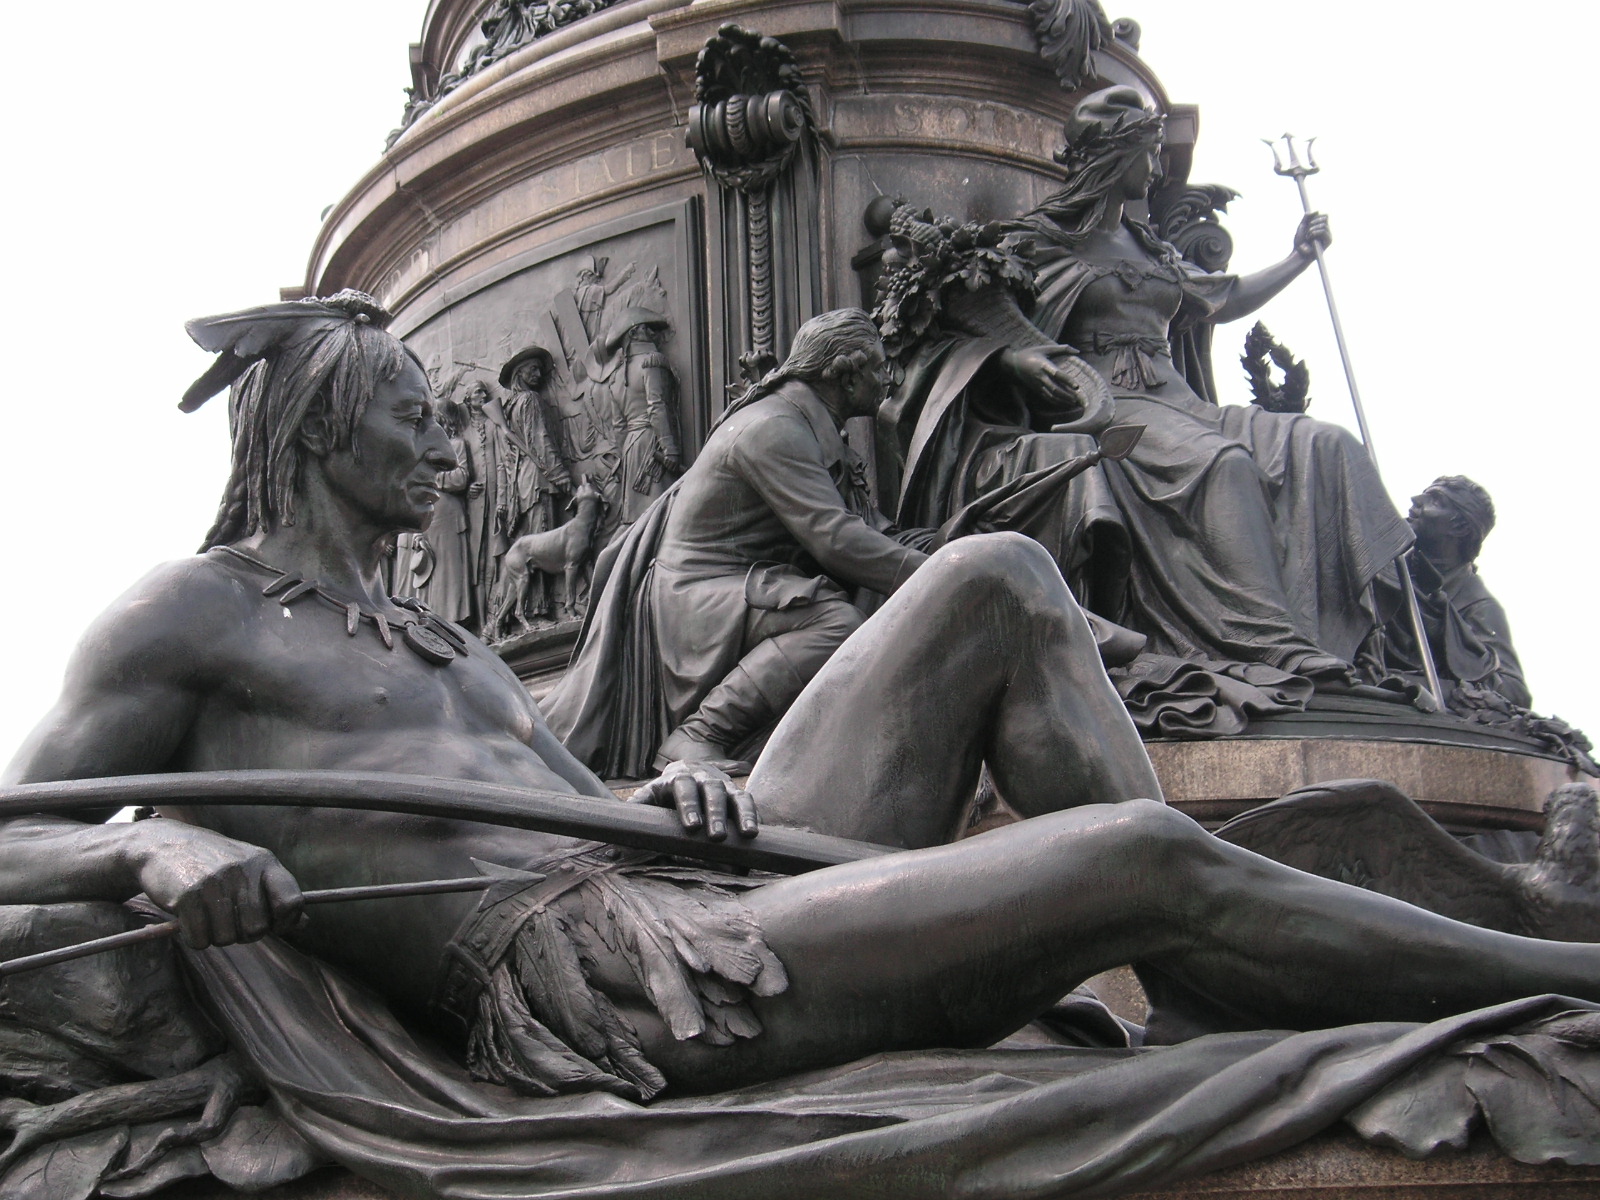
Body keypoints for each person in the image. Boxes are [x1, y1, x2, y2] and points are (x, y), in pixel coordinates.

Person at [6, 291, 1600, 1117]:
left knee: (993, 575)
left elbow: (575, 802)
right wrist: (145, 850)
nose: (452, 449)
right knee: (1139, 857)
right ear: (317, 433)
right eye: (416, 420)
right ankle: (1554, 979)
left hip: (674, 880)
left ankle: (1198, 975)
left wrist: (659, 795)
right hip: (614, 986)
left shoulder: (448, 647)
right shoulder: (190, 614)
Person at [882, 87, 1413, 733]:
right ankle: (1271, 641)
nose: (1157, 169)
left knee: (1326, 444)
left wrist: (1298, 257)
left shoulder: (1149, 245)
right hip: (1112, 407)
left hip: (1181, 401)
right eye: (1149, 152)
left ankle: (1366, 648)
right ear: (1117, 154)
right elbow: (962, 326)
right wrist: (1016, 360)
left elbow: (1223, 297)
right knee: (1222, 464)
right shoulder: (1036, 242)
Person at [548, 309, 927, 776]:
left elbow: (867, 528)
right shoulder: (774, 428)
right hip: (694, 598)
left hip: (741, 584)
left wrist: (944, 543)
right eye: (879, 367)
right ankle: (698, 734)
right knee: (836, 623)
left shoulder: (813, 426)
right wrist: (939, 572)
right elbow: (836, 540)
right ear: (846, 376)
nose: (889, 378)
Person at [1387, 475, 1529, 708]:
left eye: (1435, 500)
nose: (1416, 500)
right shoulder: (1383, 569)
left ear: (1460, 527)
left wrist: (1449, 632)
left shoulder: (1478, 605)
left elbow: (1514, 693)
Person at [493, 345, 572, 626]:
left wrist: (504, 497)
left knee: (526, 547)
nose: (538, 374)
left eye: (540, 369)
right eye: (533, 369)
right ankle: (538, 611)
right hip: (539, 481)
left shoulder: (508, 409)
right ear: (519, 373)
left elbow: (504, 461)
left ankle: (515, 612)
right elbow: (541, 441)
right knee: (540, 546)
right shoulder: (530, 401)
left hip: (520, 485)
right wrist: (561, 476)